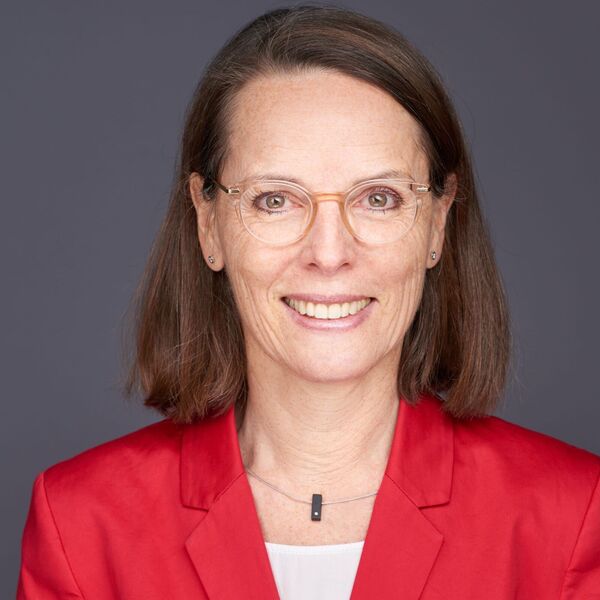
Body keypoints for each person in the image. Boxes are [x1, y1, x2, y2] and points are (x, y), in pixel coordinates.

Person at [17, 5, 600, 599]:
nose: (328, 253)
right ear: (208, 223)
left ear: (437, 222)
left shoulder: (572, 514)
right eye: (275, 199)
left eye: (379, 198)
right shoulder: (81, 524)